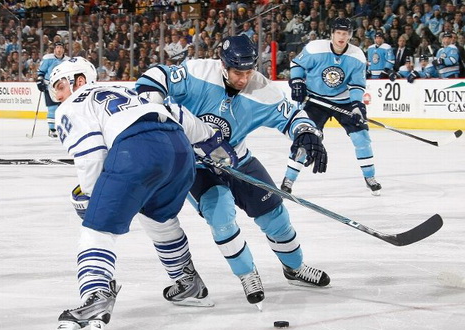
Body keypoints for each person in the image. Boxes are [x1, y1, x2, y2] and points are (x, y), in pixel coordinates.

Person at [136, 35, 330, 310]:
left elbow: (292, 115)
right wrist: (152, 107)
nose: (243, 78)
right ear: (223, 65)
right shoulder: (198, 72)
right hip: (198, 166)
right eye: (238, 72)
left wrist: (307, 133)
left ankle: (295, 268)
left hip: (238, 158)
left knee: (274, 215)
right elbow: (156, 75)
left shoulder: (262, 90)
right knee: (221, 217)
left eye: (249, 71)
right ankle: (247, 274)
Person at [48, 57, 237, 330]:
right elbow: (177, 113)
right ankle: (188, 284)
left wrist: (91, 196)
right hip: (178, 150)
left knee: (97, 229)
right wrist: (212, 144)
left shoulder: (72, 105)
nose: (58, 95)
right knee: (159, 218)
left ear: (79, 81)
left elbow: (90, 155)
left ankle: (95, 302)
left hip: (136, 151)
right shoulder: (125, 90)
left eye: (60, 86)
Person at [289, 18, 382, 196]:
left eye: (345, 34)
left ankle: (370, 178)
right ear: (331, 34)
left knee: (362, 138)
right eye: (338, 33)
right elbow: (297, 64)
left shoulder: (356, 56)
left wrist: (356, 106)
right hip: (315, 100)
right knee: (305, 139)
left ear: (350, 36)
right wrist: (297, 82)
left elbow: (356, 86)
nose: (341, 37)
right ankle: (289, 180)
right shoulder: (315, 48)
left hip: (343, 100)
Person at [36, 40, 70, 138]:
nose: (59, 50)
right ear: (54, 49)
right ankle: (52, 129)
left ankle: (61, 127)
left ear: (64, 50)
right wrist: (40, 81)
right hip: (49, 86)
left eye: (61, 48)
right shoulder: (48, 58)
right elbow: (41, 71)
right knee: (52, 108)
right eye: (57, 48)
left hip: (63, 87)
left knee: (63, 108)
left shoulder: (67, 60)